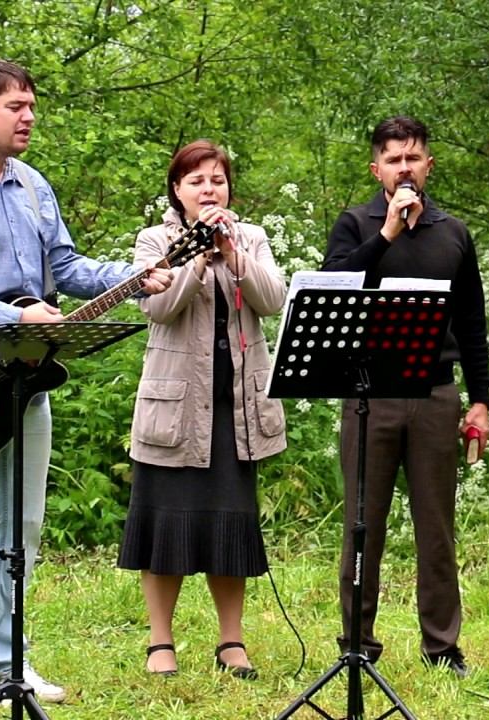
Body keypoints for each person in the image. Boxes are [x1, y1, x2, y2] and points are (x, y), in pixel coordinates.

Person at [0, 58, 172, 704]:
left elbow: (66, 267)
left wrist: (135, 279)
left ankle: (8, 660)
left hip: (26, 376)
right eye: (15, 106)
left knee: (22, 526)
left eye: (31, 106)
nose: (29, 118)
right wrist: (15, 316)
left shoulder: (32, 185)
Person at [321, 116, 489, 677]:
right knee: (363, 525)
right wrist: (388, 233)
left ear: (428, 166)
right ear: (377, 170)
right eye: (393, 160)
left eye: (412, 158)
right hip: (369, 396)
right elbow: (335, 285)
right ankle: (357, 646)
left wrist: (481, 401)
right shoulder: (355, 225)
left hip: (435, 394)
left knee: (436, 527)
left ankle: (442, 647)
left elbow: (472, 322)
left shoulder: (453, 232)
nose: (404, 168)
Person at [117, 140, 288, 678]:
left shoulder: (251, 237)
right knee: (162, 527)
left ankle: (231, 642)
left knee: (230, 526)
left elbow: (273, 299)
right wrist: (194, 257)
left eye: (217, 180)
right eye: (196, 181)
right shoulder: (154, 241)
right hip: (174, 409)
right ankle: (160, 642)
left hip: (235, 409)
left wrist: (232, 253)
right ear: (177, 190)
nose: (209, 189)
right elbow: (159, 308)